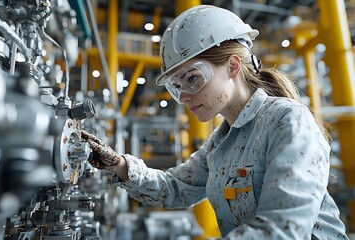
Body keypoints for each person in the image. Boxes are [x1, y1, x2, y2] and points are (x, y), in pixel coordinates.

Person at [81, 5, 349, 239]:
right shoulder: (221, 143)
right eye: (176, 87)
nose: (184, 96)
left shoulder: (287, 121)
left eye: (193, 78)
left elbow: (283, 230)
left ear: (233, 66)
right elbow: (176, 188)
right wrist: (120, 166)